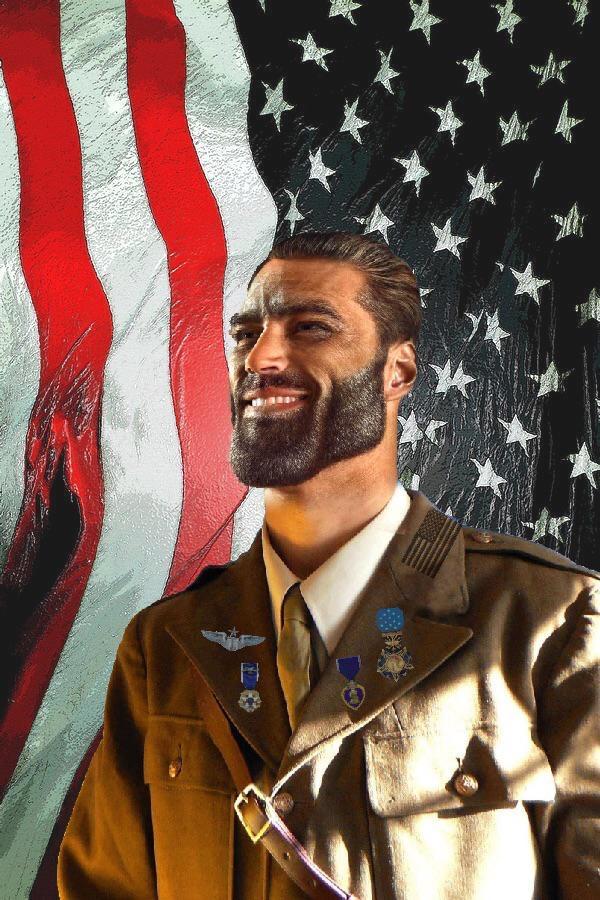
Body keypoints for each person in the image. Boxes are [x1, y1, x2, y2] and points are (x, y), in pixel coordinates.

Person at [58, 232, 600, 899]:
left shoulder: (553, 619)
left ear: (397, 371)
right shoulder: (166, 644)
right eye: (245, 333)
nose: (261, 357)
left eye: (311, 328)